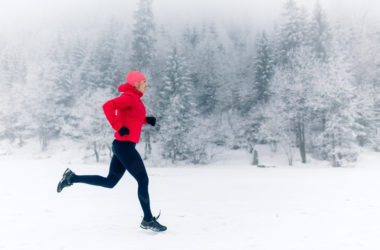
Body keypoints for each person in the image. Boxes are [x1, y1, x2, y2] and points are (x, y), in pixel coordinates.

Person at [57, 71, 167, 232]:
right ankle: (148, 219)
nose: (146, 84)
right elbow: (108, 106)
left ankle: (72, 178)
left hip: (123, 146)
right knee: (143, 180)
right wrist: (117, 126)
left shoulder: (134, 99)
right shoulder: (128, 97)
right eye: (144, 82)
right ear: (136, 84)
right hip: (124, 146)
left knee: (110, 182)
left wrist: (145, 120)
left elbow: (132, 118)